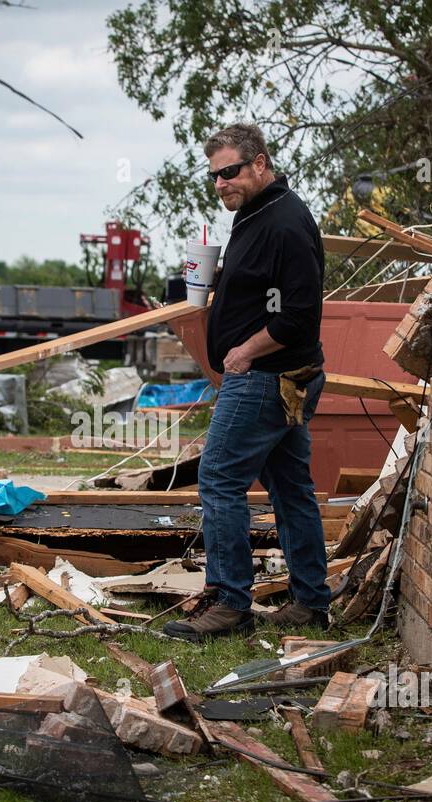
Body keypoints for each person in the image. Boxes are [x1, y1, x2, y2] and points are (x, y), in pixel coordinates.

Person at [164, 123, 331, 639]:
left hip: (265, 377)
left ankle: (231, 603)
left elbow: (299, 314)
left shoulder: (284, 222)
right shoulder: (256, 216)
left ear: (260, 164)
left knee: (218, 479)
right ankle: (309, 601)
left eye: (230, 172)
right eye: (214, 176)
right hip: (278, 379)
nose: (221, 183)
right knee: (290, 488)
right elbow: (266, 292)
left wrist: (242, 351)